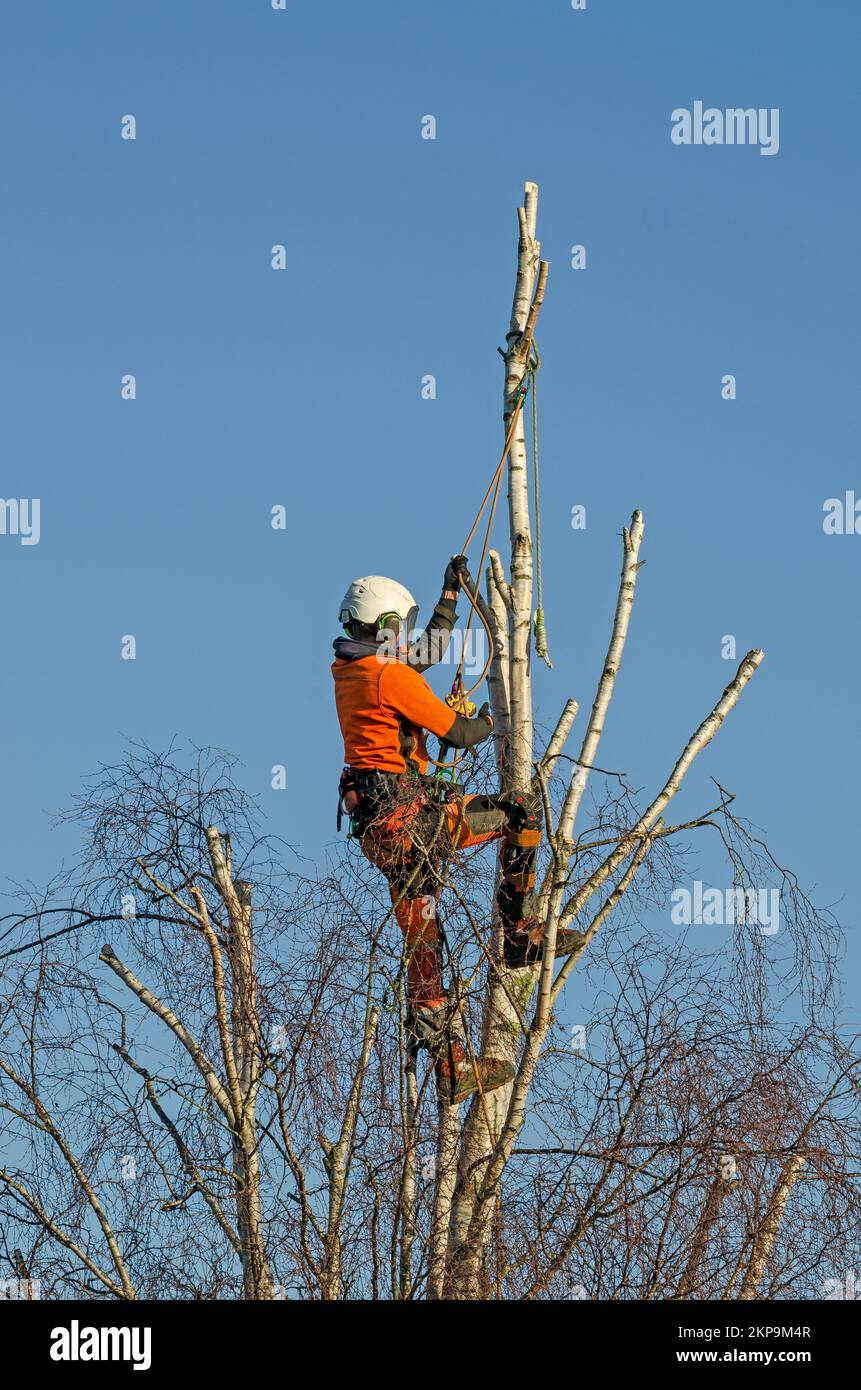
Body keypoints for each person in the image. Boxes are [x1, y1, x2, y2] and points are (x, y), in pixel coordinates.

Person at [332, 556, 583, 1104]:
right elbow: (461, 733)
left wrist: (449, 596)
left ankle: (451, 1068)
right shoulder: (388, 677)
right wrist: (494, 720)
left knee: (424, 941)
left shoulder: (351, 670)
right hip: (415, 822)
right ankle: (519, 935)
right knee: (520, 812)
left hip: (381, 833)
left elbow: (426, 652)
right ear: (386, 628)